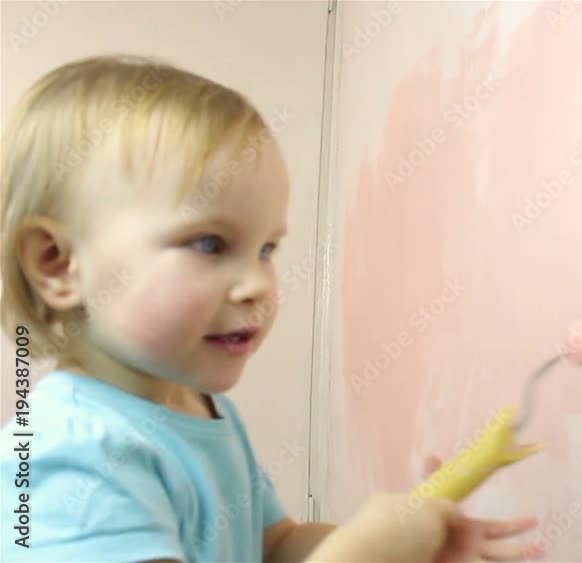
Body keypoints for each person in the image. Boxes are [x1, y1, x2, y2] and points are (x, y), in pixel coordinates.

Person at [0, 54, 542, 562]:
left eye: (266, 249)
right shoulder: (68, 457)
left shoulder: (205, 408)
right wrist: (366, 551)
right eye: (210, 243)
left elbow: (275, 545)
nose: (257, 284)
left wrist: (399, 545)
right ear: (57, 264)